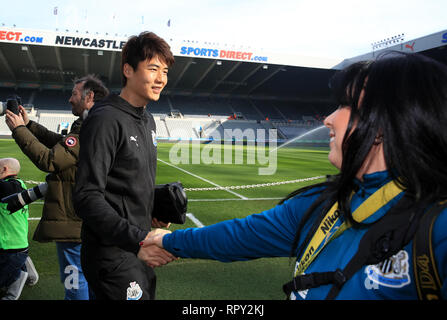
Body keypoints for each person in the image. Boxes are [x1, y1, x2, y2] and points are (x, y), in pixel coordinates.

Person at [140, 52, 447, 300]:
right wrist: (171, 241)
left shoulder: (437, 228)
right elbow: (242, 235)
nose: (328, 119)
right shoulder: (323, 203)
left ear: (387, 122)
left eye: (346, 105)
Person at [72, 31, 176, 300]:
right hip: (112, 254)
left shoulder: (148, 120)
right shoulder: (106, 119)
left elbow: (125, 182)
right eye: (153, 69)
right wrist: (137, 239)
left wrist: (150, 210)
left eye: (164, 71)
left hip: (137, 245)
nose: (161, 79)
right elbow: (86, 197)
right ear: (128, 70)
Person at [5, 75, 109, 300]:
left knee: (75, 283)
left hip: (74, 219)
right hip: (92, 216)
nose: (70, 99)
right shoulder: (97, 122)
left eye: (74, 94)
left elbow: (50, 160)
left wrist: (19, 130)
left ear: (89, 97)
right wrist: (30, 125)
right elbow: (62, 145)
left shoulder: (90, 127)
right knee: (91, 278)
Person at [0, 158, 38, 300]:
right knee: (17, 259)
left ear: (4, 170)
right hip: (19, 243)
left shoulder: (5, 188)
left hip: (10, 246)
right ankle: (30, 274)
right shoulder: (20, 184)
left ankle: (18, 278)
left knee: (5, 277)